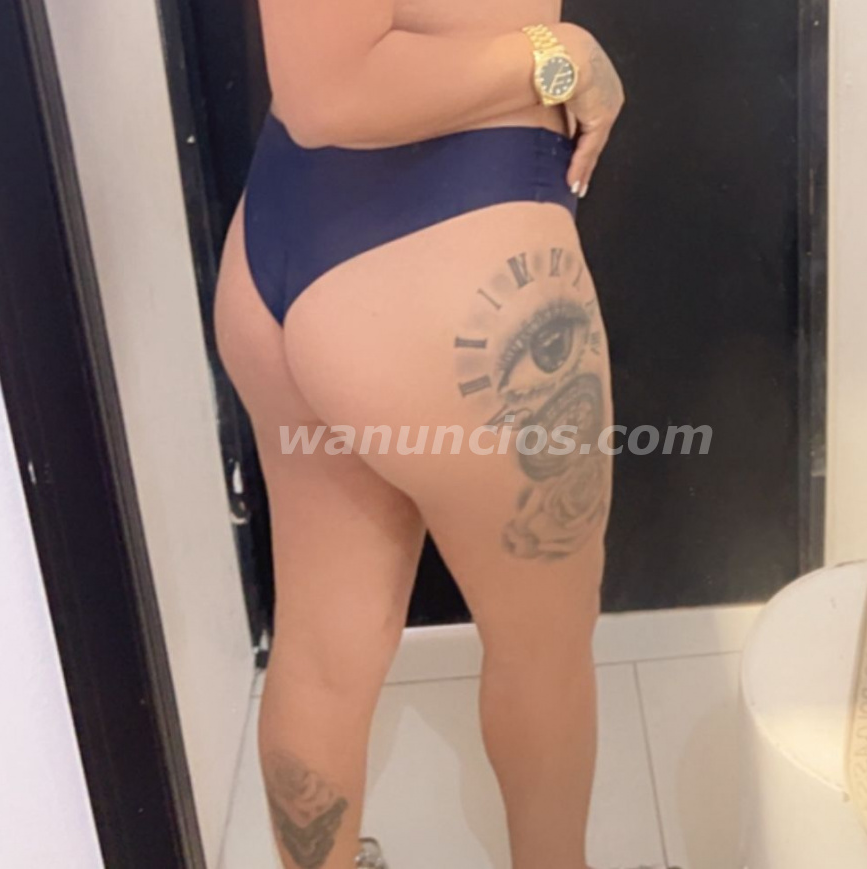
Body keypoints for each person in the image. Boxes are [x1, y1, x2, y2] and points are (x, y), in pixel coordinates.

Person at [213, 2, 627, 867]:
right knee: (544, 653)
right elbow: (330, 92)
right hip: (462, 261)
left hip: (287, 229)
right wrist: (560, 56)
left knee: (322, 649)